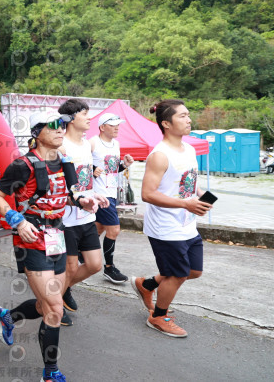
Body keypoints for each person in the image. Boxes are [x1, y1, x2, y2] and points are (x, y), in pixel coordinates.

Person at [0, 110, 102, 382]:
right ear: (36, 133)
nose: (60, 129)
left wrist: (84, 201)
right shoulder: (23, 165)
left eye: (62, 124)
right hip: (31, 239)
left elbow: (69, 195)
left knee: (45, 306)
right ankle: (50, 372)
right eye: (52, 126)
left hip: (58, 237)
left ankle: (7, 317)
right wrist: (17, 220)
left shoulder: (64, 162)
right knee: (55, 308)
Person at [131, 100, 212, 338]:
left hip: (187, 222)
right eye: (182, 116)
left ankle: (147, 285)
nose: (189, 119)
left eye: (188, 115)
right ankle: (158, 317)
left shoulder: (189, 149)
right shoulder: (159, 155)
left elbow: (188, 181)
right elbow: (147, 194)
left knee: (193, 271)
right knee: (178, 274)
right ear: (166, 123)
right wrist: (186, 203)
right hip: (165, 227)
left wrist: (200, 196)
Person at [57, 99, 110, 326]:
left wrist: (95, 194)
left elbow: (85, 179)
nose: (89, 118)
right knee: (69, 267)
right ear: (70, 119)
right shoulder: (60, 146)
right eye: (84, 114)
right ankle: (55, 304)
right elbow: (58, 185)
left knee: (94, 265)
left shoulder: (87, 144)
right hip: (66, 219)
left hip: (87, 215)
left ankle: (61, 289)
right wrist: (79, 200)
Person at [89, 112, 135, 284]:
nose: (117, 128)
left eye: (118, 125)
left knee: (99, 228)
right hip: (100, 194)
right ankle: (109, 268)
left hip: (112, 192)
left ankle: (79, 252)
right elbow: (79, 163)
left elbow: (112, 170)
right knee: (114, 230)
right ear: (102, 127)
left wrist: (124, 165)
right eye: (112, 125)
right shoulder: (93, 142)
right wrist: (92, 168)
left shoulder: (116, 144)